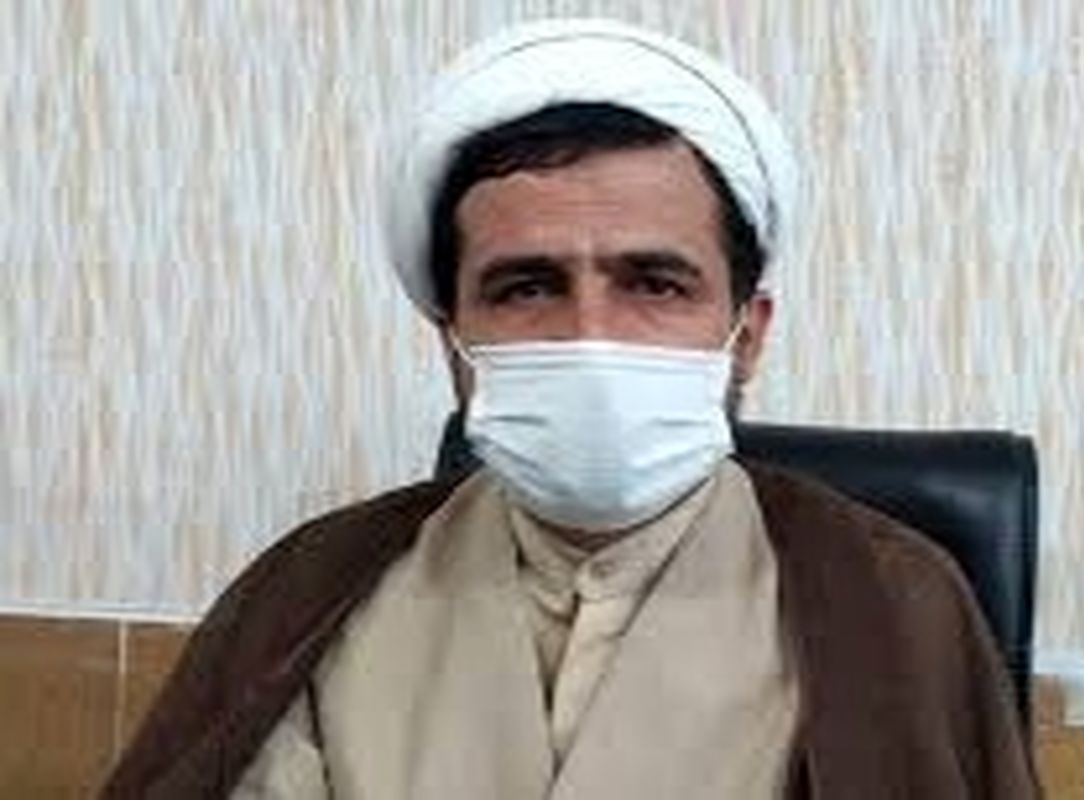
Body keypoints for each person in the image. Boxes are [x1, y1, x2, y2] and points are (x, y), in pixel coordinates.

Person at [104, 19, 1037, 799]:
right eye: (526, 287)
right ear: (452, 342)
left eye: (655, 283)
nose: (592, 335)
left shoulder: (894, 602)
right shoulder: (311, 591)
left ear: (746, 334)